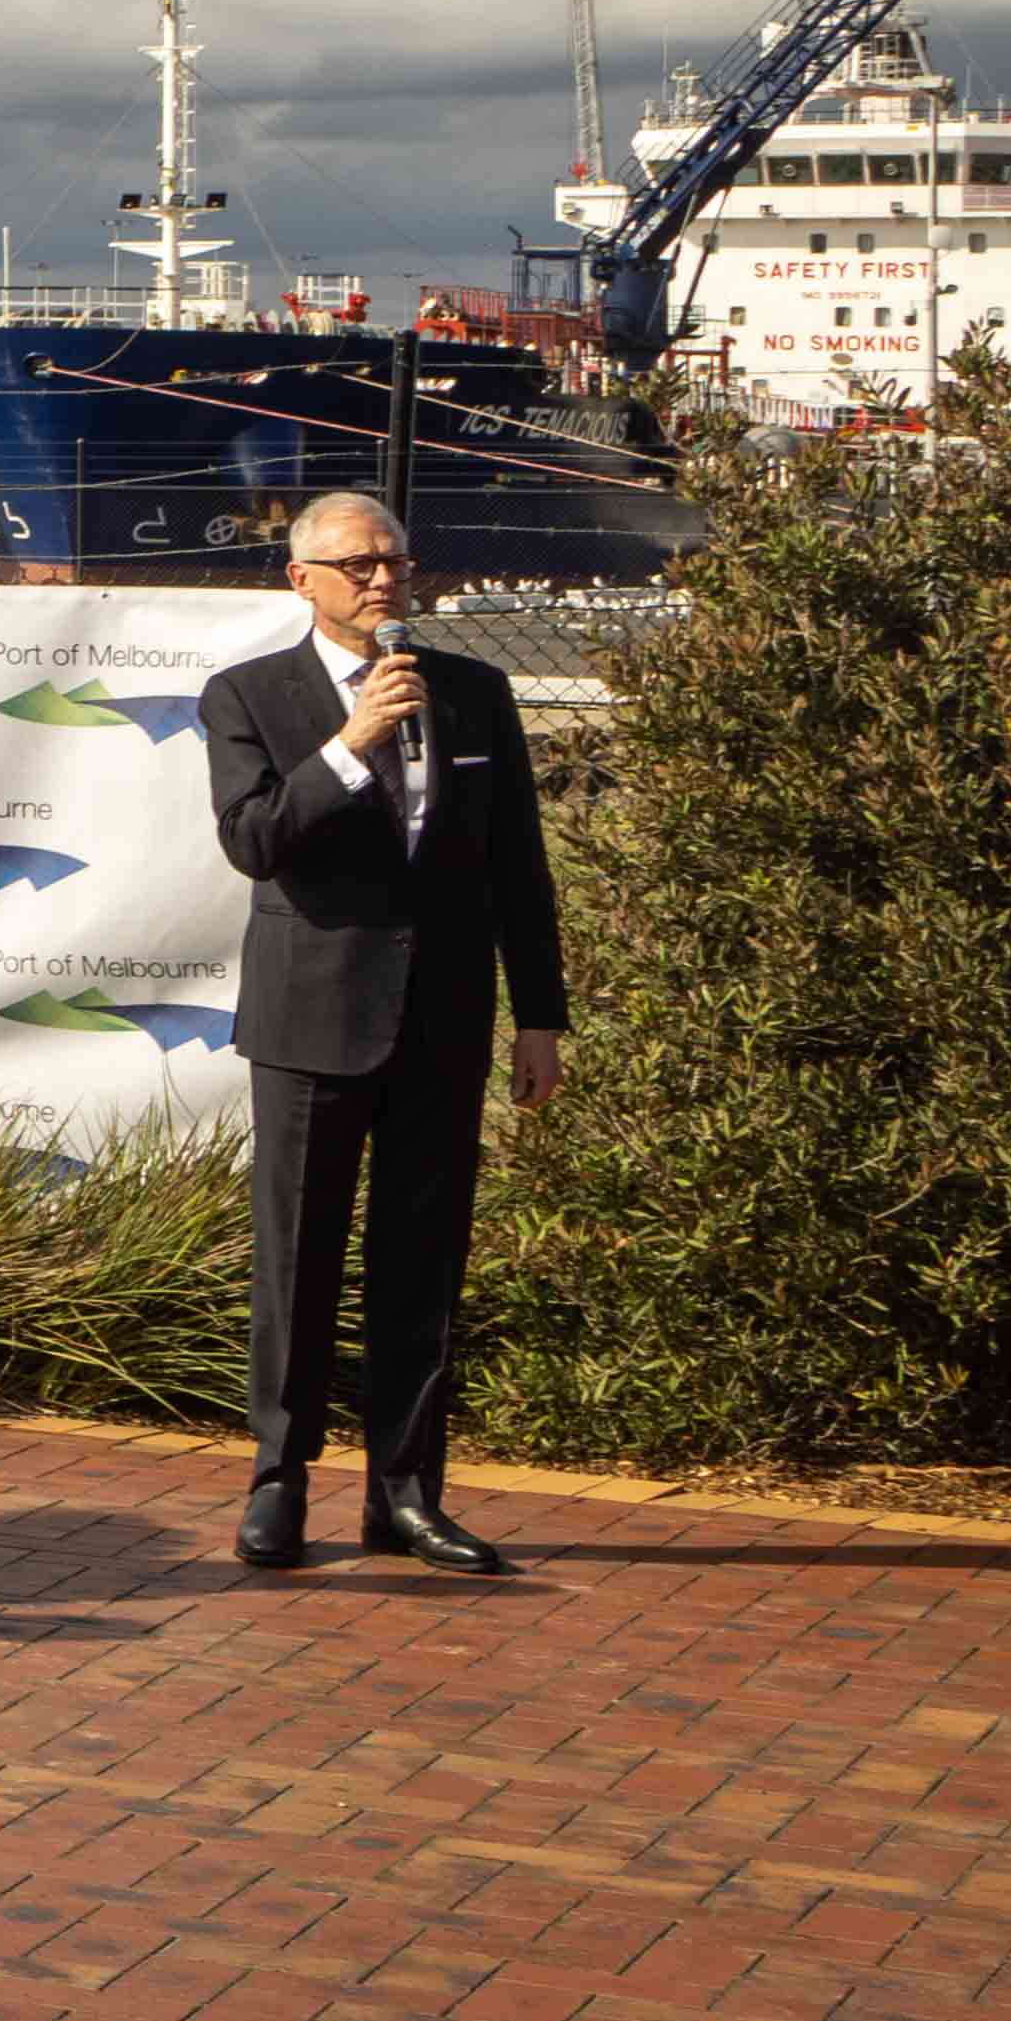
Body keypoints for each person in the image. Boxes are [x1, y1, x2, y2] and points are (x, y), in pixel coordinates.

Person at [204, 490, 570, 1575]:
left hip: (443, 1019)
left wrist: (539, 1015)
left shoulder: (473, 693)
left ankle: (406, 1496)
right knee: (298, 1260)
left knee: (423, 1261)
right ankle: (279, 1483)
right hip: (312, 1017)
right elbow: (255, 841)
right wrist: (353, 743)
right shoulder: (250, 697)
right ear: (300, 580)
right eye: (358, 565)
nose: (382, 582)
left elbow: (519, 865)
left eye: (396, 564)